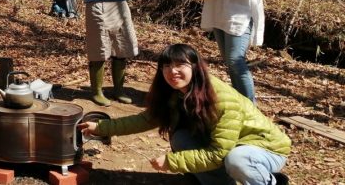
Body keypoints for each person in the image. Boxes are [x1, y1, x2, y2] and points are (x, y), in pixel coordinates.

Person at [79, 44, 291, 185]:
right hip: (229, 144)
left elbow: (218, 153)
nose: (173, 71)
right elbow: (146, 119)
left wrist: (173, 162)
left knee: (238, 160)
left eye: (181, 64)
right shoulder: (175, 92)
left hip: (264, 148)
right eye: (167, 66)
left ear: (196, 67)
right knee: (181, 138)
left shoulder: (222, 99)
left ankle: (271, 182)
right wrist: (100, 128)